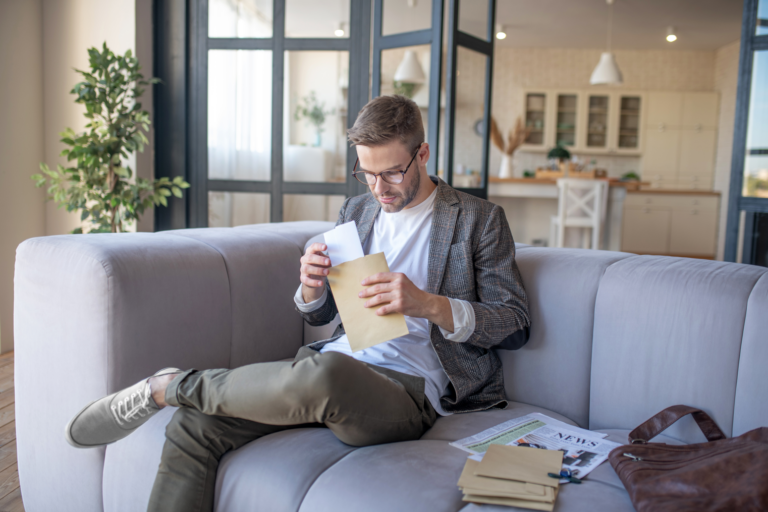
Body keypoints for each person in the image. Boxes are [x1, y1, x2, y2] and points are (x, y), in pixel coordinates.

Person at [64, 95, 530, 512]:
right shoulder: (358, 211)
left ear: (422, 154)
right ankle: (181, 395)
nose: (378, 189)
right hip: (330, 364)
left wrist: (428, 304)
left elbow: (514, 323)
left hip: (406, 391)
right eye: (366, 174)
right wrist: (311, 288)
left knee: (326, 375)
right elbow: (326, 315)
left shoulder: (478, 219)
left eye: (391, 172)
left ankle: (167, 386)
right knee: (195, 425)